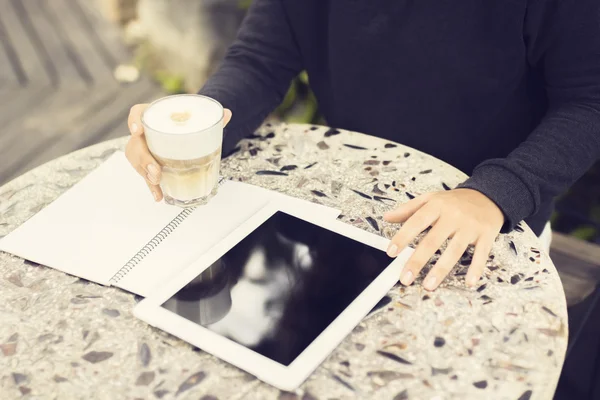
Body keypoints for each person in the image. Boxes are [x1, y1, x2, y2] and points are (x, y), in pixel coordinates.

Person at [125, 0, 600, 291]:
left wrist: (497, 192)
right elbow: (260, 60)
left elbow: (588, 102)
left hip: (488, 225)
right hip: (344, 217)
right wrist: (198, 126)